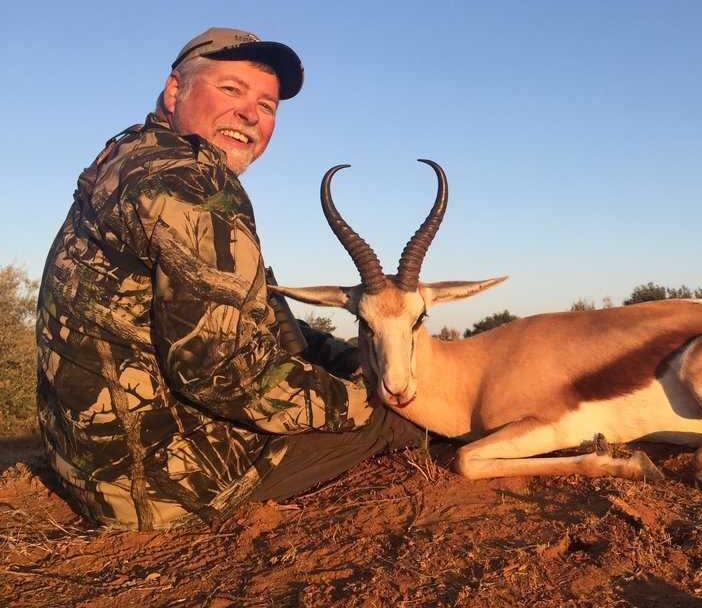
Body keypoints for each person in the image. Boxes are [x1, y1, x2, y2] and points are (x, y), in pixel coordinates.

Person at [36, 28, 423, 530]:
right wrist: (361, 397)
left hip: (88, 468)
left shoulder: (132, 154)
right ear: (175, 91)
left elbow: (247, 315)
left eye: (268, 104)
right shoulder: (193, 186)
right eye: (231, 89)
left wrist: (341, 355)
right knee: (402, 414)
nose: (251, 114)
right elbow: (224, 374)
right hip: (160, 488)